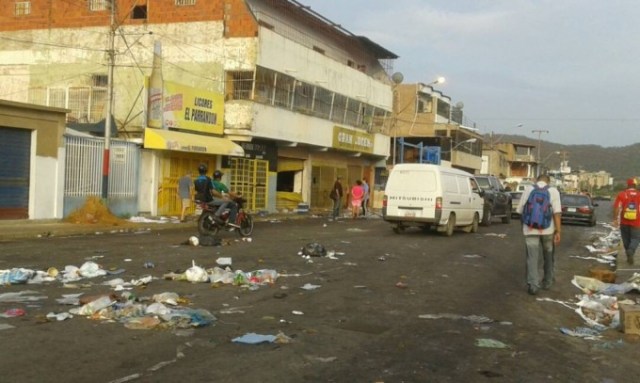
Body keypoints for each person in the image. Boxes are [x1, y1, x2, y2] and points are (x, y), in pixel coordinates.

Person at [516, 174, 562, 295]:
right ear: (549, 182)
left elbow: (519, 210)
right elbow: (557, 213)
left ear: (537, 180)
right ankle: (547, 281)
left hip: (530, 229)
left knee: (532, 257)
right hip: (548, 230)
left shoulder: (528, 189)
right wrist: (558, 231)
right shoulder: (553, 191)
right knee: (548, 255)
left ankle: (533, 285)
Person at [613, 178, 640, 265]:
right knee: (636, 238)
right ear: (635, 185)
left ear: (627, 185)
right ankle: (631, 251)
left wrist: (615, 219)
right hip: (637, 222)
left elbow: (617, 207)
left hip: (624, 222)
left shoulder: (622, 194)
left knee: (626, 239)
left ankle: (629, 256)